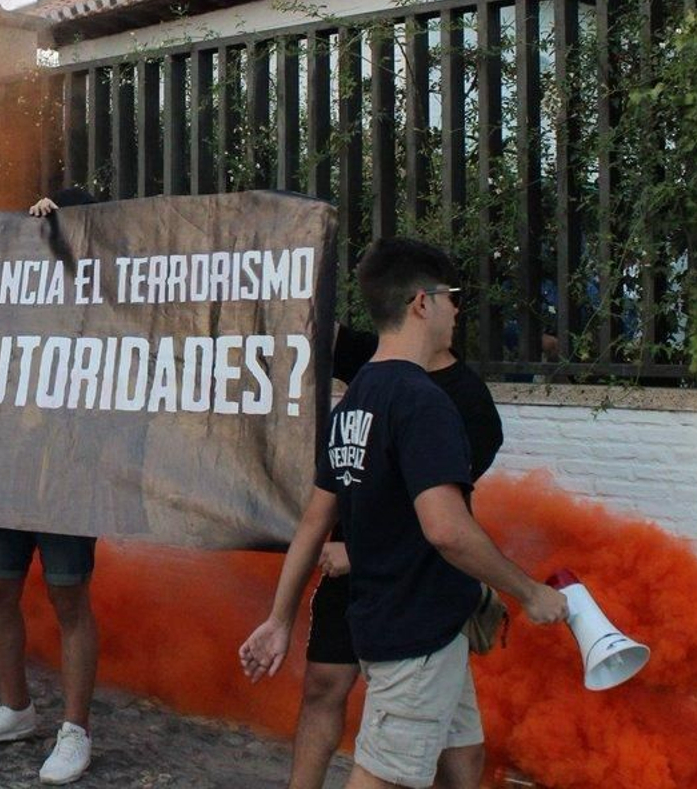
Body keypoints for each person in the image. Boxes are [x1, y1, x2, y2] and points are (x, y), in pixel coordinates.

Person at [239, 238, 567, 789]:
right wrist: (529, 591)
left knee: (463, 755)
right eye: (451, 298)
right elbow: (446, 529)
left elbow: (314, 522)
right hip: (413, 632)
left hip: (418, 624)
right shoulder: (423, 402)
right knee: (383, 777)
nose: (457, 310)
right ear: (422, 302)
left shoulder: (358, 396)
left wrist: (278, 620)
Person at [270, 317, 504, 789]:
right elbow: (308, 324)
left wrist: (356, 553)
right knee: (325, 685)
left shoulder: (468, 405)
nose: (454, 313)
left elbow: (444, 519)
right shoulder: (378, 367)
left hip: (416, 588)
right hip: (354, 576)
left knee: (447, 751)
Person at [0, 187, 100, 785]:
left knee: (69, 598)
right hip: (5, 463)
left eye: (55, 223)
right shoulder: (7, 284)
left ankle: (75, 728)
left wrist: (70, 224)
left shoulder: (97, 287)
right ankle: (14, 707)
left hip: (65, 470)